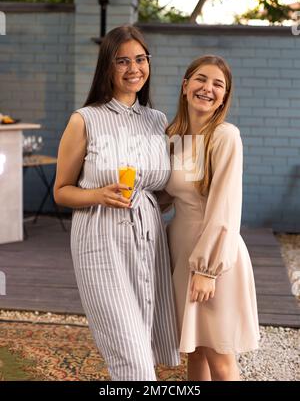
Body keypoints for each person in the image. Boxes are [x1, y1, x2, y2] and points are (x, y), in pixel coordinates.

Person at [53, 25, 180, 381]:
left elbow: (162, 193)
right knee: (132, 360)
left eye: (140, 59)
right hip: (100, 240)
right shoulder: (85, 120)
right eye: (122, 61)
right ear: (106, 67)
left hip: (148, 243)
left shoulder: (157, 122)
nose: (133, 68)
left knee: (144, 344)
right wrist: (97, 194)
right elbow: (61, 190)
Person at [160, 55, 260, 381]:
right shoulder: (175, 135)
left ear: (225, 96)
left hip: (213, 259)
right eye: (202, 79)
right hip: (181, 250)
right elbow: (170, 194)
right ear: (185, 85)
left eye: (218, 84)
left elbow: (225, 206)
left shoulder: (225, 136)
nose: (208, 88)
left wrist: (207, 270)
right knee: (195, 350)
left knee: (220, 356)